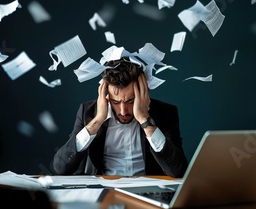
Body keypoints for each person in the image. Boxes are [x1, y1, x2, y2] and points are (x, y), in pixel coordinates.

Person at [52, 57, 188, 178]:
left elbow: (178, 171)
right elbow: (60, 168)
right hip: (104, 193)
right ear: (106, 95)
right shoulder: (88, 113)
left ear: (144, 93)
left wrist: (145, 121)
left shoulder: (165, 112)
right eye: (116, 102)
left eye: (130, 101)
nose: (123, 111)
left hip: (148, 196)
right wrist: (97, 121)